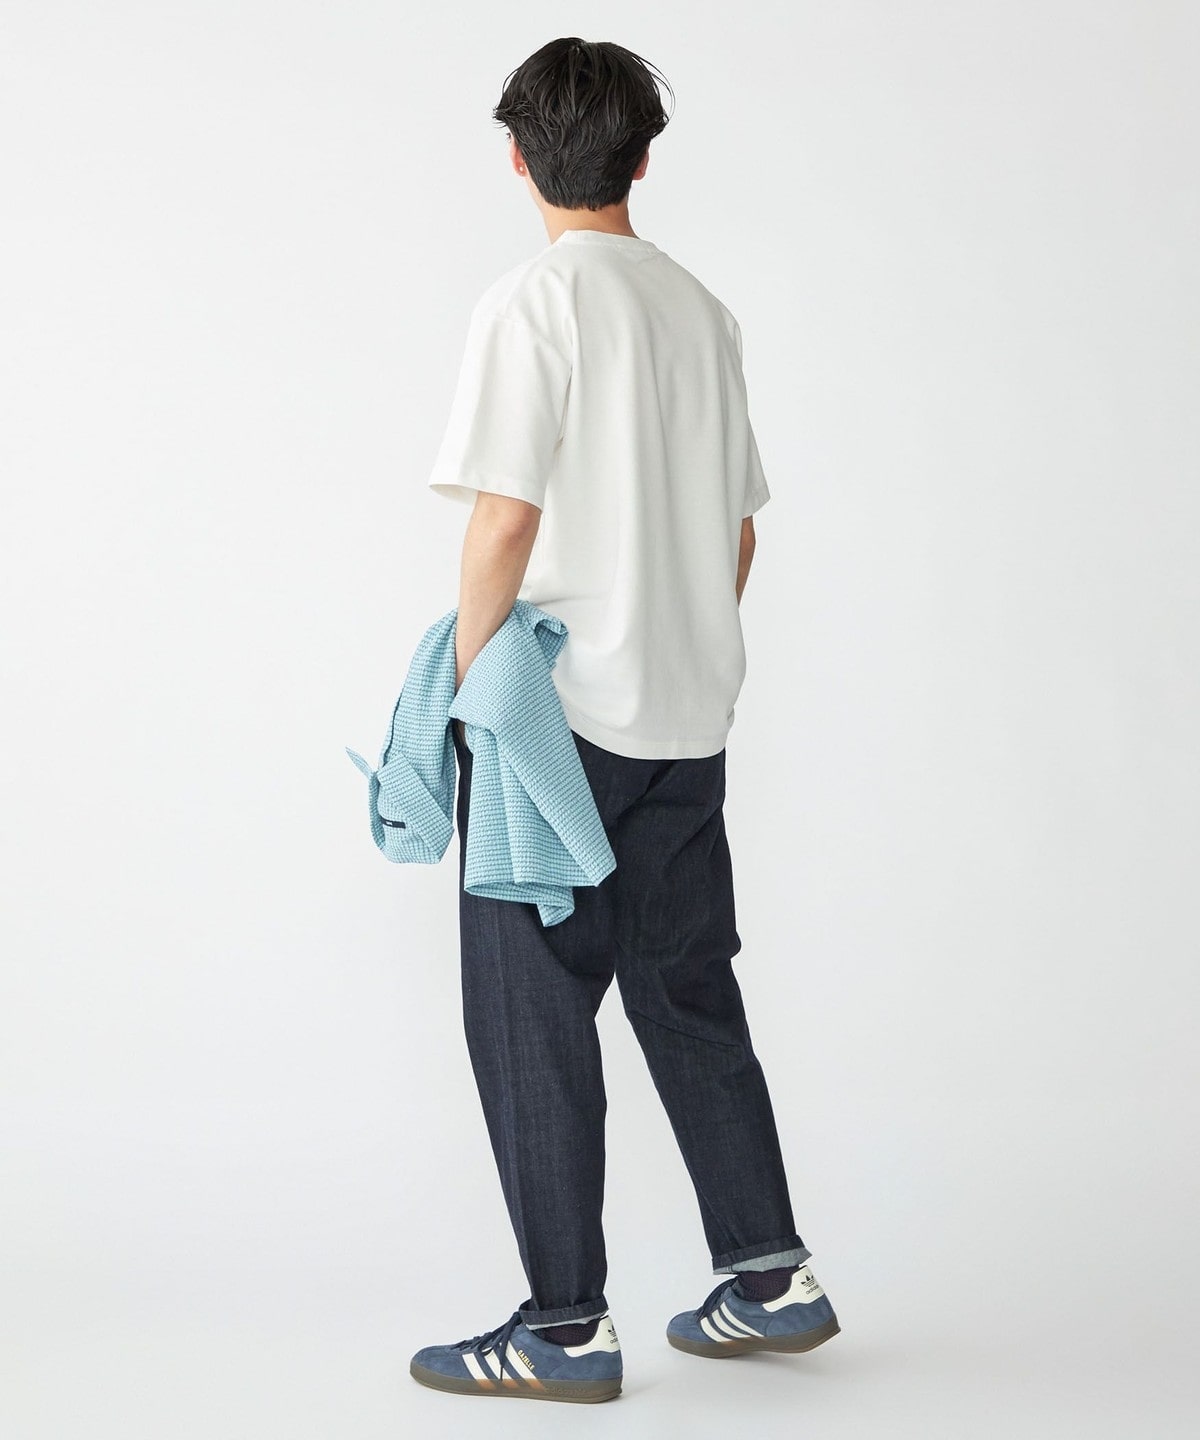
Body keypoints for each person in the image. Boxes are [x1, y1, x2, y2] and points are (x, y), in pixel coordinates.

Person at [409, 36, 839, 1405]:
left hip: (561, 723)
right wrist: (677, 641)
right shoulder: (703, 313)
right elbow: (741, 534)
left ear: (517, 159)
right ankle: (770, 1276)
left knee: (529, 1013)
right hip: (686, 719)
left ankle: (564, 1328)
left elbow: (504, 521)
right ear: (645, 159)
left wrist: (470, 690)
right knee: (686, 989)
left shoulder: (532, 303)